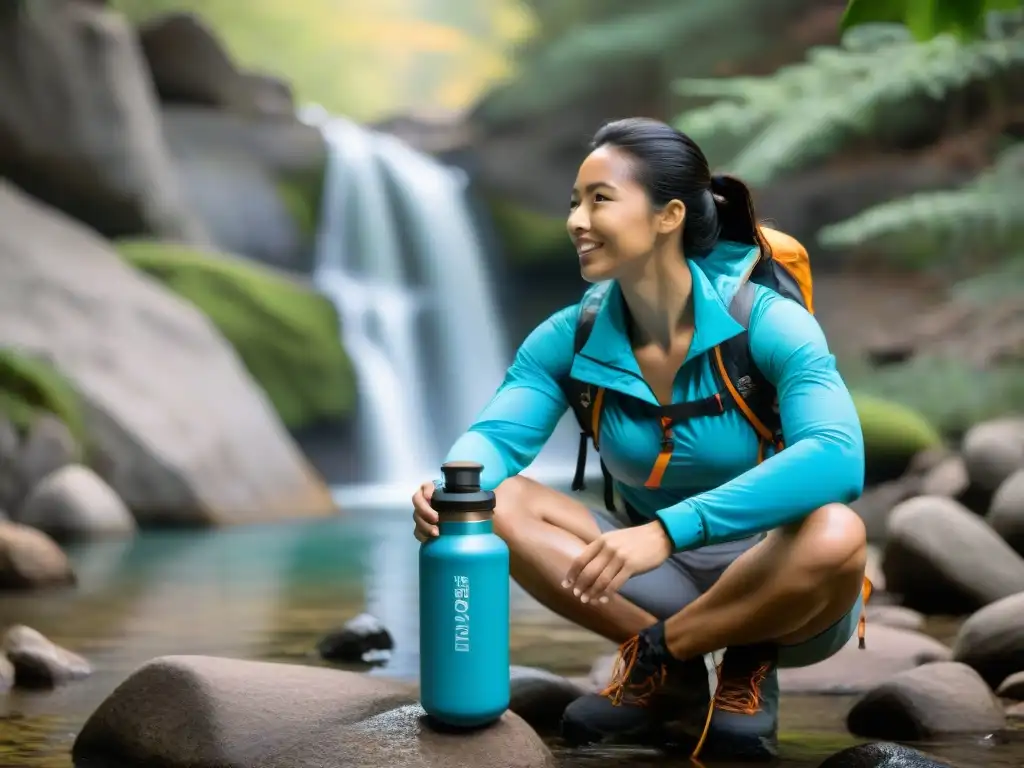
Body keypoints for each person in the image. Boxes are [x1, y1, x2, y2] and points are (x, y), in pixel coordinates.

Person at [411, 117, 868, 760]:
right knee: (500, 503)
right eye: (574, 201)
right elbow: (495, 436)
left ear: (668, 215)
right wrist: (450, 489)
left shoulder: (768, 323)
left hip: (782, 584)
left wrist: (665, 531)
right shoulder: (569, 336)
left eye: (600, 199)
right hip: (650, 576)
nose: (576, 219)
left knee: (838, 531)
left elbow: (839, 457)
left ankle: (722, 658)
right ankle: (675, 678)